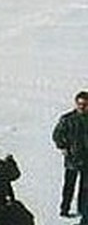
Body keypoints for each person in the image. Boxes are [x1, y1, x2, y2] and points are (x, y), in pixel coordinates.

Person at [53, 91, 88, 220]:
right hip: (72, 160)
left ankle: (83, 210)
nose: (82, 107)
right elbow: (57, 135)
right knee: (69, 186)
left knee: (85, 188)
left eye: (85, 104)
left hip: (87, 160)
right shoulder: (67, 119)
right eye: (80, 104)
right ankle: (64, 209)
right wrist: (62, 147)